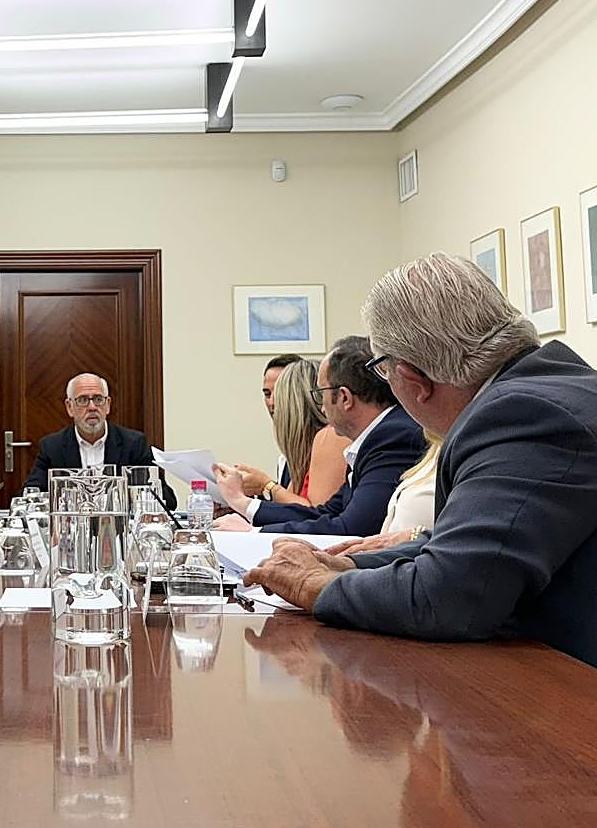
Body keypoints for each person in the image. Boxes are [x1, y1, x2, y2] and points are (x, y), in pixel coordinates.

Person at [245, 252, 597, 667]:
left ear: (413, 380)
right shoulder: (546, 387)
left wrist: (310, 583)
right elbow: (462, 547)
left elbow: (450, 596)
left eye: (382, 369)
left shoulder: (523, 416)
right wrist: (345, 564)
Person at [213, 336, 424, 535]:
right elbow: (325, 513)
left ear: (344, 398)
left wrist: (253, 532)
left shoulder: (393, 438)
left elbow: (350, 529)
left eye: (320, 393)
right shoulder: (379, 436)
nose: (320, 405)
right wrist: (242, 503)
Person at [22, 373, 178, 509]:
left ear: (108, 405)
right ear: (69, 407)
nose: (92, 407)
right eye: (83, 400)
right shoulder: (52, 447)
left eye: (98, 399)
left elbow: (167, 499)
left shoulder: (133, 444)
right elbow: (30, 495)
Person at [233, 359, 350, 507]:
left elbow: (318, 517)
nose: (272, 403)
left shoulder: (331, 436)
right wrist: (236, 503)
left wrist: (266, 486)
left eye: (277, 396)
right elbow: (289, 509)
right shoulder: (302, 451)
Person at [260, 353, 304, 486]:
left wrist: (266, 486)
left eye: (280, 392)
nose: (272, 402)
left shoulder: (325, 443)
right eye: (267, 394)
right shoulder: (284, 457)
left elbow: (312, 506)